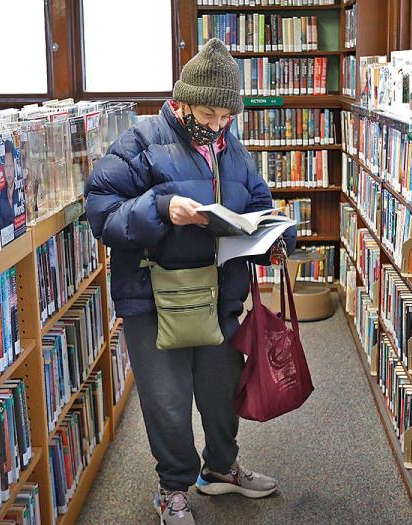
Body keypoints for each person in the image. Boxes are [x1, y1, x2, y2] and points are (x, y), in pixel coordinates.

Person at [86, 38, 297, 525]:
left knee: (221, 391)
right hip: (155, 299)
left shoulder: (233, 149)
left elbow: (259, 204)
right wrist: (161, 208)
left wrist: (274, 237)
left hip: (218, 295)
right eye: (207, 113)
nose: (216, 126)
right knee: (168, 402)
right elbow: (102, 212)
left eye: (227, 117)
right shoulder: (140, 142)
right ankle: (172, 489)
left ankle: (221, 468)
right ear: (180, 100)